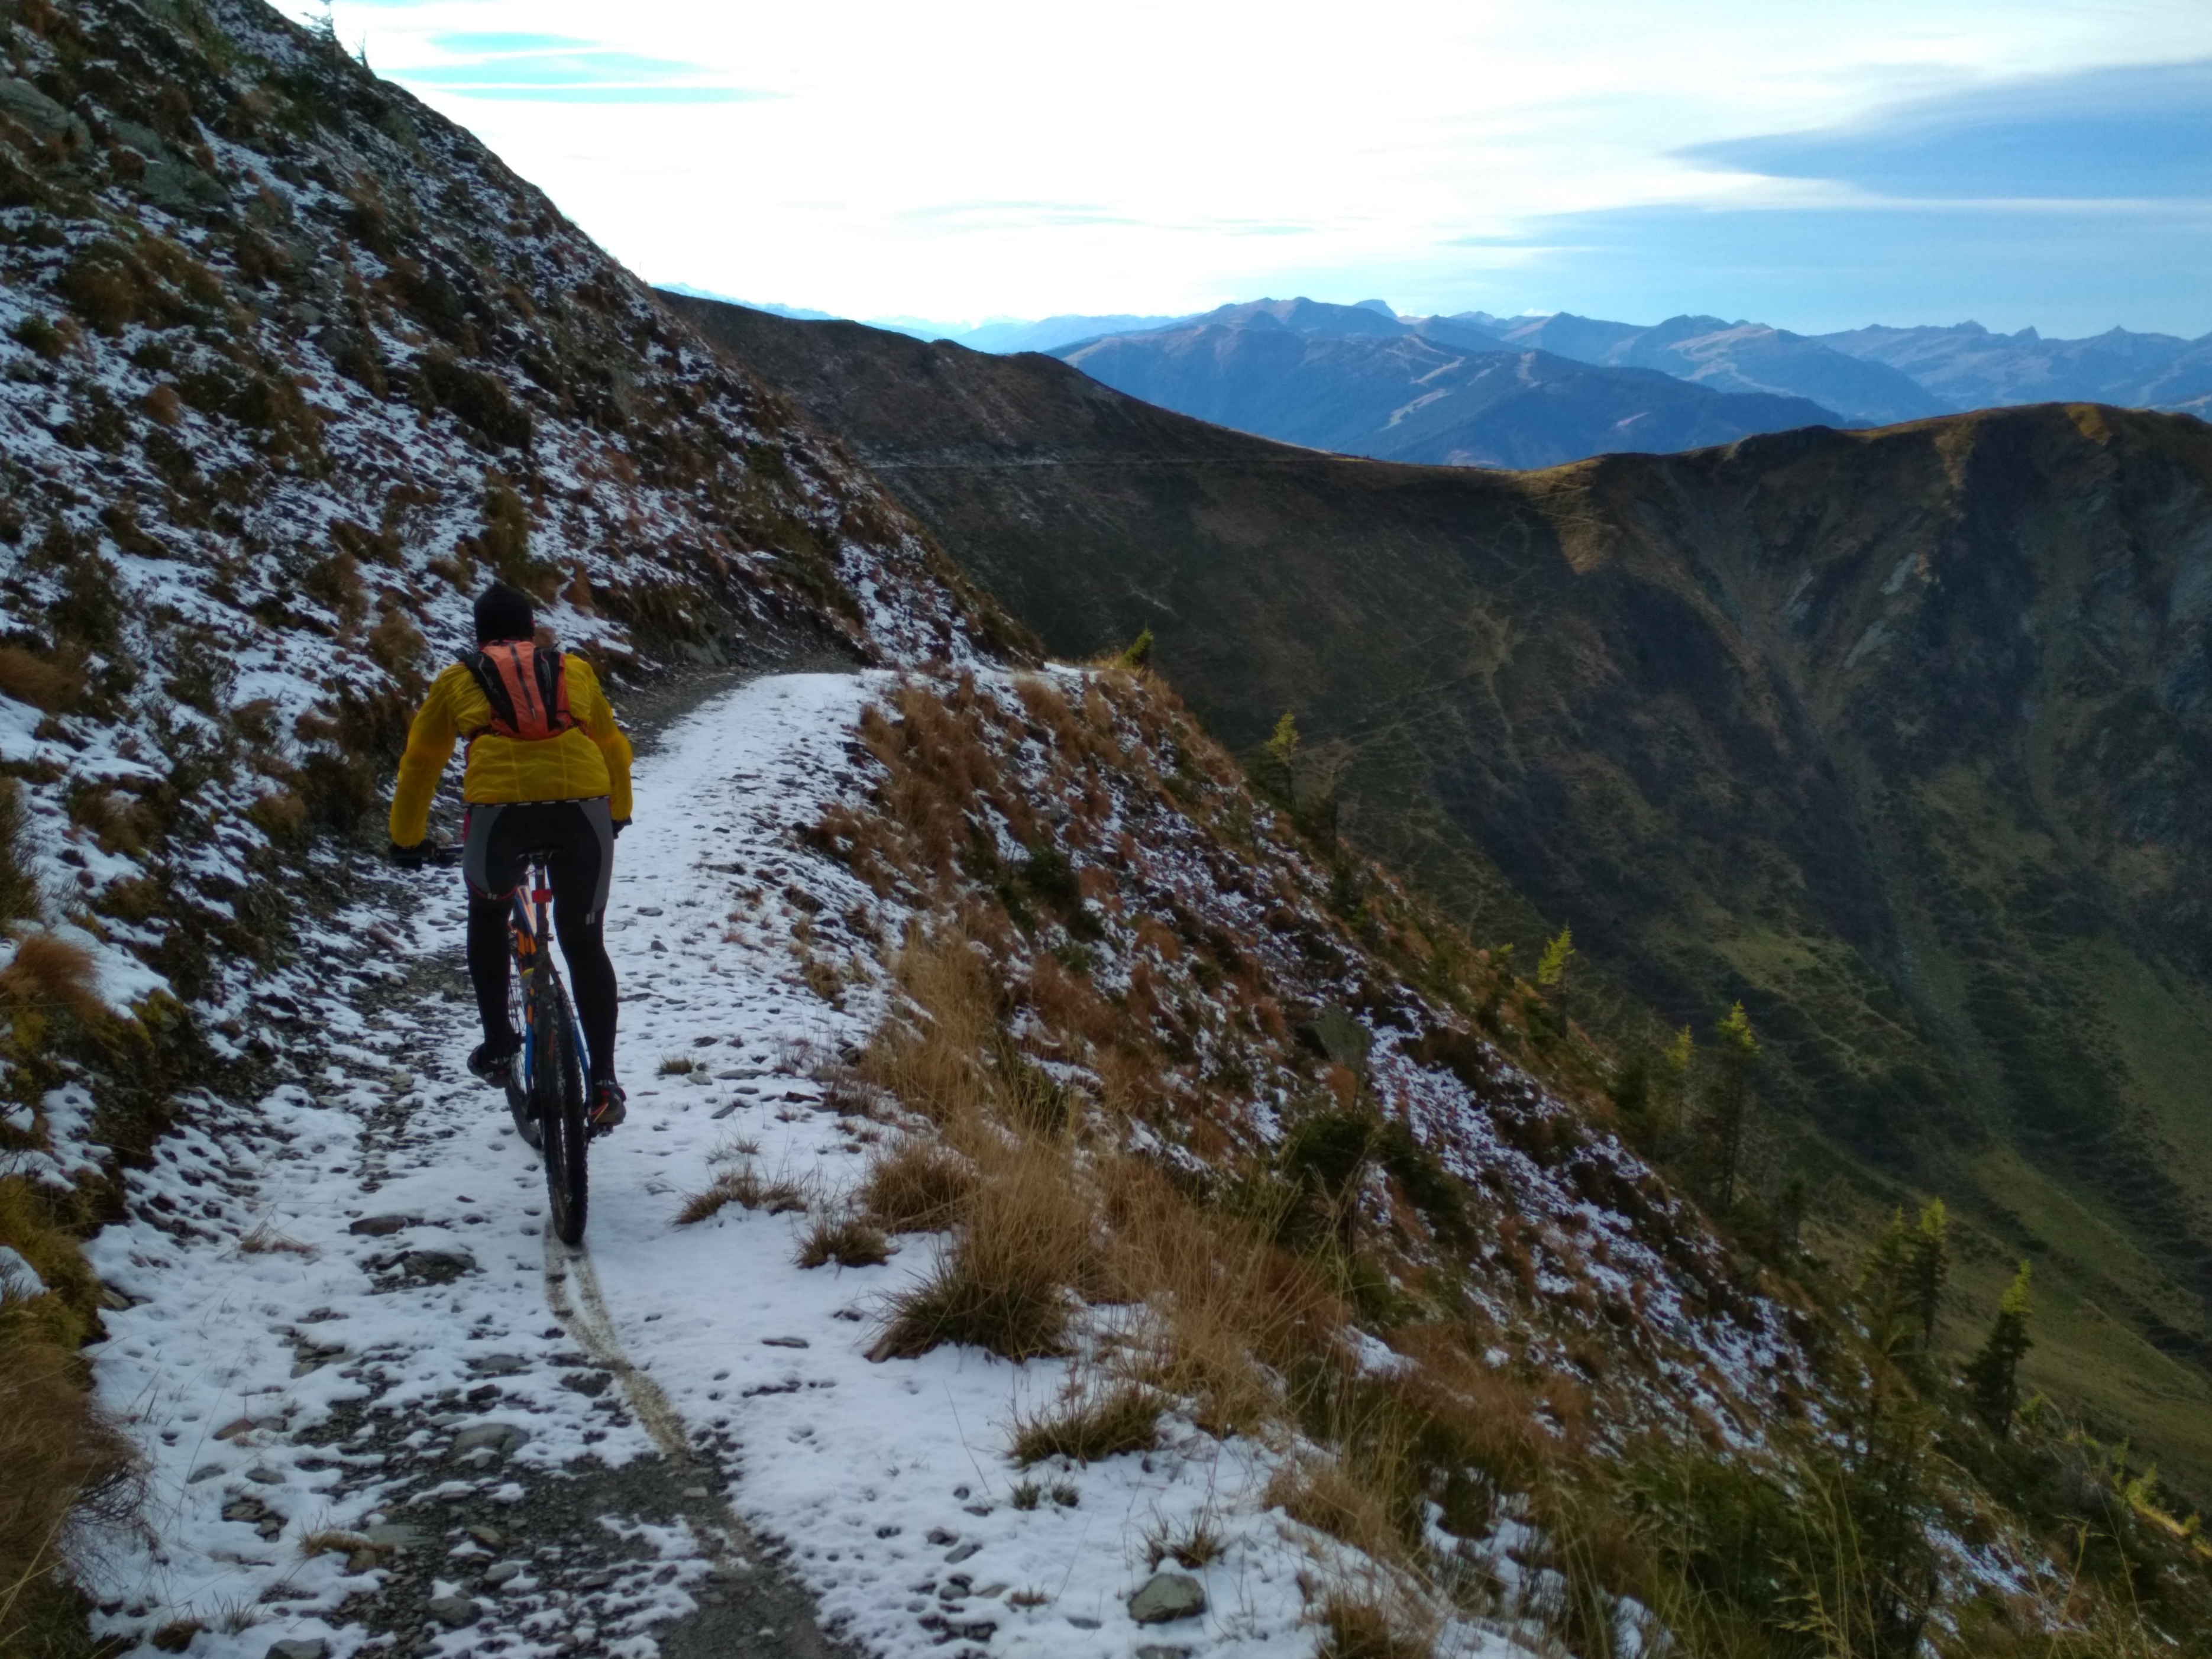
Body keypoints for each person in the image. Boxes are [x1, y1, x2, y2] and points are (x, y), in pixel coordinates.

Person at [387, 582, 634, 1132]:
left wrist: (406, 839)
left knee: (489, 909)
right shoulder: (573, 668)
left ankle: (499, 1043)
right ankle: (604, 1083)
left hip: (499, 814)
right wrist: (618, 811)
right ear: (532, 630)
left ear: (479, 635)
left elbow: (421, 761)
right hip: (583, 809)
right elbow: (614, 747)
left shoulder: (457, 677)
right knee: (585, 940)